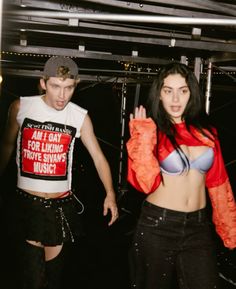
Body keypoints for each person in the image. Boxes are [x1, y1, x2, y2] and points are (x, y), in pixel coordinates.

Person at [0, 56, 119, 289]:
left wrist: (111, 194)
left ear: (76, 85)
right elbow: (5, 145)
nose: (62, 95)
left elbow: (98, 157)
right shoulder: (21, 107)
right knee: (33, 280)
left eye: (69, 88)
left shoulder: (79, 116)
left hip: (60, 208)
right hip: (27, 206)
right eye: (55, 86)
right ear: (43, 83)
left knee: (53, 281)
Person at [126, 62, 236, 289]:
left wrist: (230, 230)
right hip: (158, 225)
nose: (175, 99)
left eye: (182, 91)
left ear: (191, 93)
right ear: (159, 95)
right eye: (168, 91)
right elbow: (145, 184)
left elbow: (219, 183)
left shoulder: (207, 132)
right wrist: (142, 137)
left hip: (198, 228)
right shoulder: (151, 128)